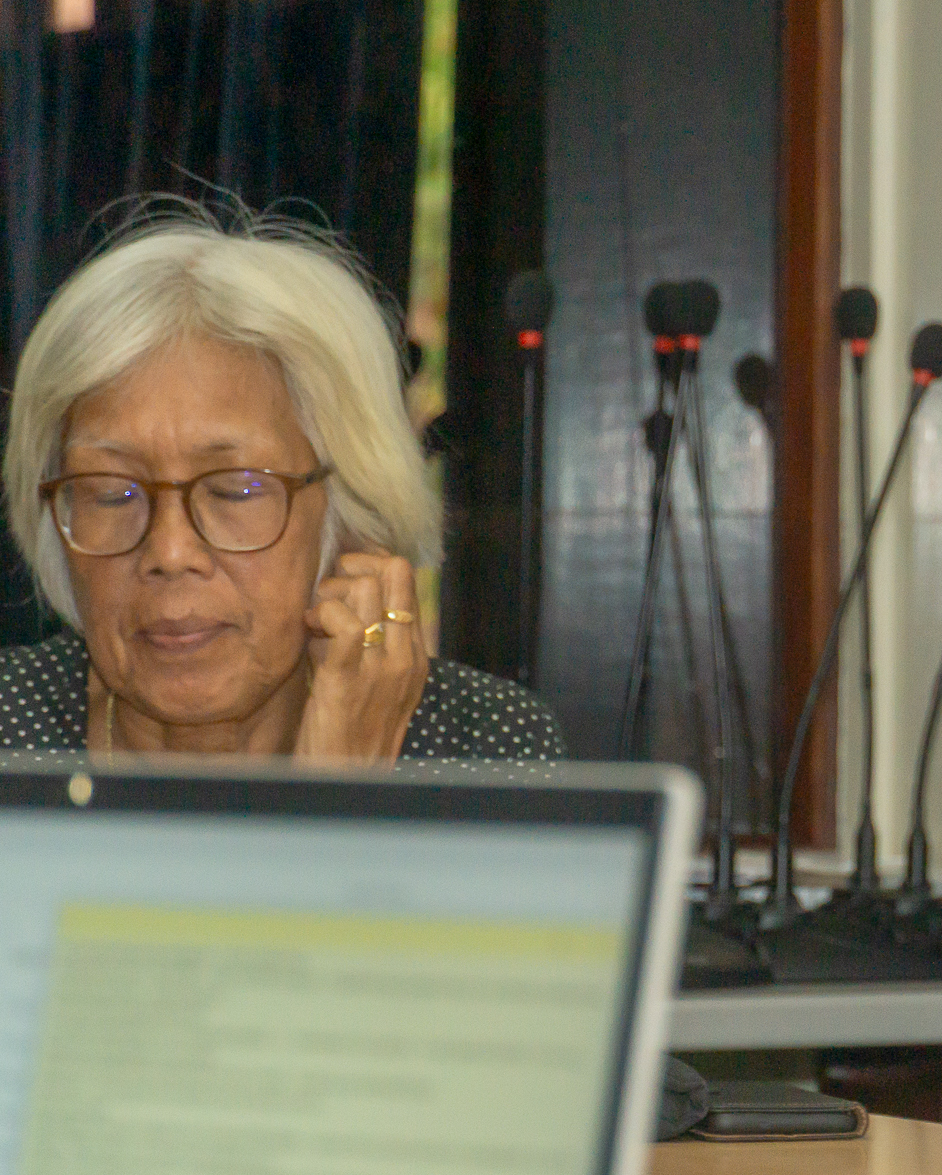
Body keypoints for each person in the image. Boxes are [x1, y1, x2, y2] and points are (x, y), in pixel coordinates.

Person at [0, 202, 564, 762]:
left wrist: (345, 793)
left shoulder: (487, 746)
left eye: (236, 490)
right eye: (110, 493)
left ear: (350, 513)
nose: (169, 553)